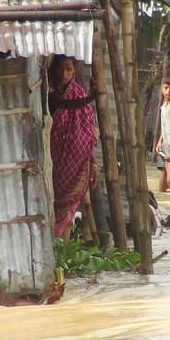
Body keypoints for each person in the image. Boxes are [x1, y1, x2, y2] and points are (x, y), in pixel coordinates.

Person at [47, 55, 99, 241]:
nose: (64, 74)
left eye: (69, 70)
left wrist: (92, 162)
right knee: (53, 206)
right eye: (61, 69)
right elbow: (63, 105)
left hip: (77, 165)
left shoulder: (77, 92)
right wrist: (91, 97)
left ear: (74, 71)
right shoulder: (50, 92)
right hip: (56, 162)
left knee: (68, 214)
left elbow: (87, 134)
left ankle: (64, 251)